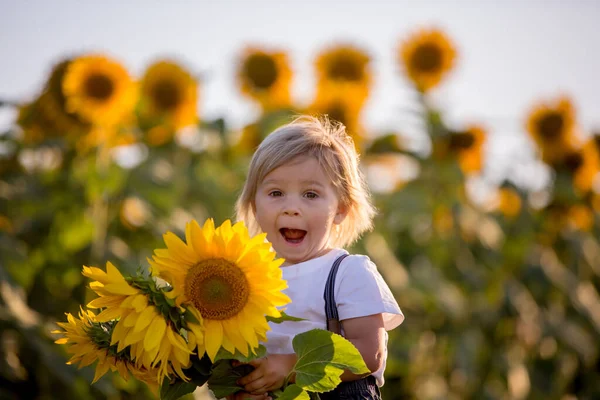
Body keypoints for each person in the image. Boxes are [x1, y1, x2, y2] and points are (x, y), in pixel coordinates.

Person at [230, 116, 404, 399]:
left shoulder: (347, 273)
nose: (292, 208)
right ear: (254, 205)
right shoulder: (244, 279)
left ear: (341, 209)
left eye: (310, 194)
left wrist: (292, 366)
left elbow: (368, 354)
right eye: (276, 193)